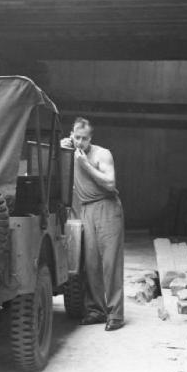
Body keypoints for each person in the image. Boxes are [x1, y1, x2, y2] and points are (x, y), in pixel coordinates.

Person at [61, 117, 125, 331]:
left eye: (85, 139)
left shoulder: (101, 154)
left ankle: (115, 315)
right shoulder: (69, 150)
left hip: (107, 207)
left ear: (91, 138)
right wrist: (59, 148)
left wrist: (85, 165)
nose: (80, 143)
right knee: (91, 264)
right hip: (86, 208)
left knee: (110, 263)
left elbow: (110, 183)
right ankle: (96, 310)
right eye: (76, 137)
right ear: (71, 135)